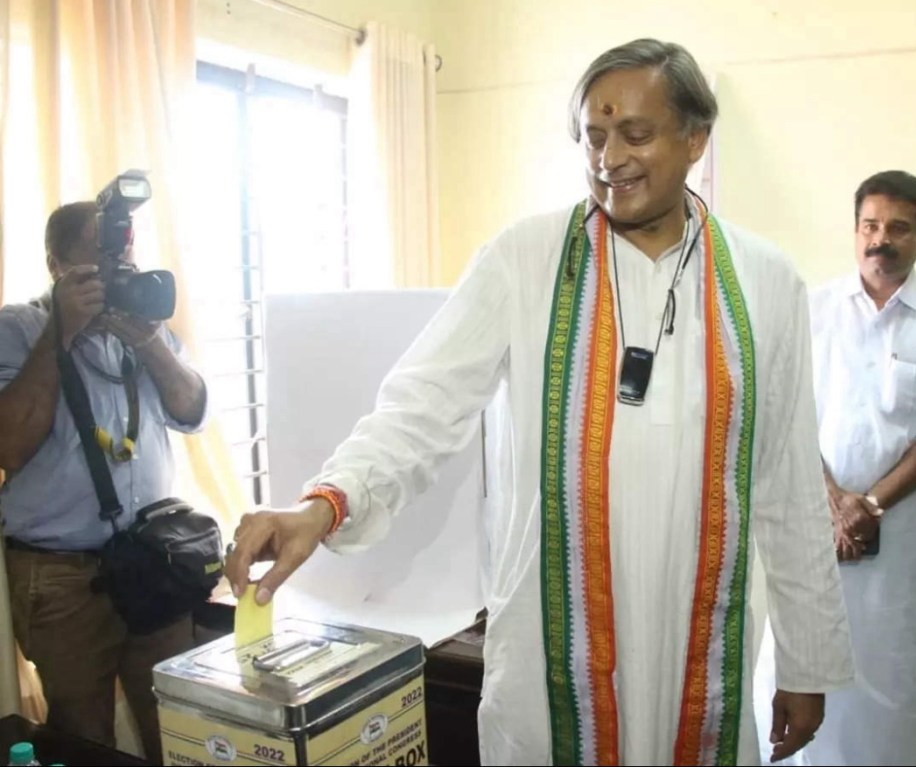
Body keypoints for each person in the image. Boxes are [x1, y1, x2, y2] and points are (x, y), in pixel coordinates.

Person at [226, 39, 854, 766]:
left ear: (695, 138)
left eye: (635, 134)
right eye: (594, 135)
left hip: (700, 649)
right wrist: (323, 504)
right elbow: (421, 406)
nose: (609, 158)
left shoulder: (766, 282)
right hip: (552, 652)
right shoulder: (523, 259)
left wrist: (806, 662)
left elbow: (787, 484)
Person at [753, 170, 916, 765]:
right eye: (870, 226)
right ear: (855, 231)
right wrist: (834, 501)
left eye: (898, 228)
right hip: (811, 529)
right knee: (790, 669)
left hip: (897, 544)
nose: (881, 239)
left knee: (886, 686)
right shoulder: (812, 309)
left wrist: (871, 505)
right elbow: (785, 411)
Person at [0, 201, 208, 763]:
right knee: (83, 737)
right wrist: (60, 333)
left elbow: (192, 409)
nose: (116, 274)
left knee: (177, 727)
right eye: (99, 259)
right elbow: (9, 445)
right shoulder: (17, 329)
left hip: (153, 560)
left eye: (124, 259)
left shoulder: (142, 326)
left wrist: (149, 342)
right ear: (56, 265)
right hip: (63, 577)